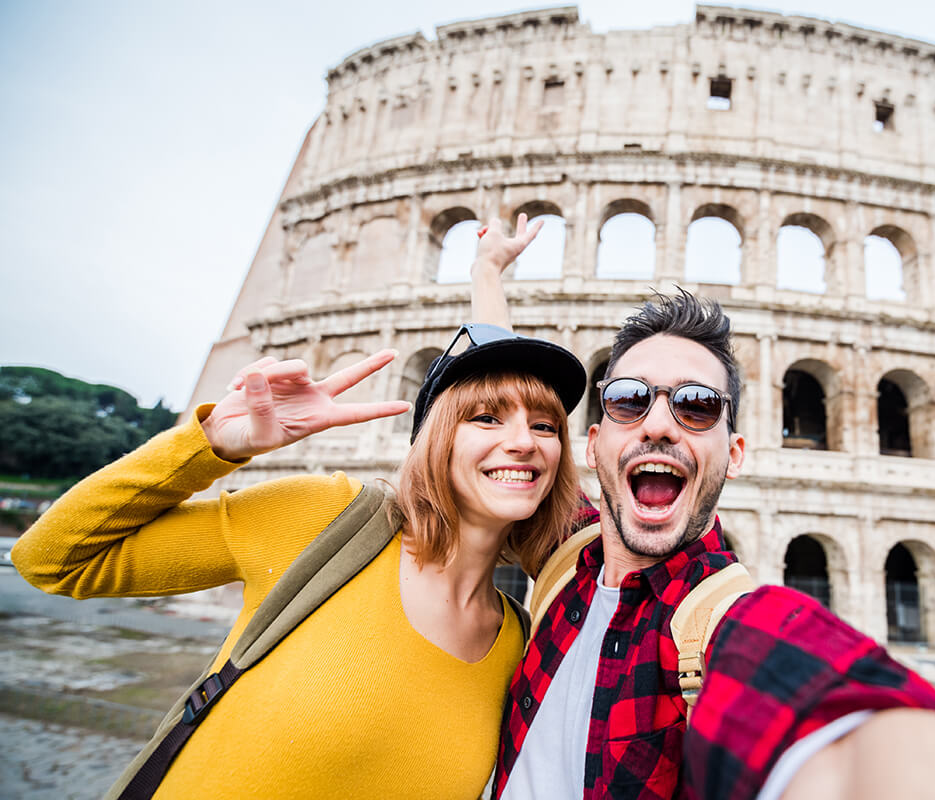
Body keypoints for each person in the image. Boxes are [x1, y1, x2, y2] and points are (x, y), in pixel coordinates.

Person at [468, 223, 935, 800]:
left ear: (734, 454)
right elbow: (503, 392)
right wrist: (488, 272)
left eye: (697, 405)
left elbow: (854, 734)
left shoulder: (732, 625)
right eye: (630, 399)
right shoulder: (565, 553)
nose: (657, 424)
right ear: (594, 443)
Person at [12, 217, 587, 799]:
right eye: (485, 418)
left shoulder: (518, 642)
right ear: (435, 440)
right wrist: (206, 446)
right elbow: (54, 560)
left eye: (546, 426)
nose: (524, 441)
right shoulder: (326, 520)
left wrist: (487, 274)